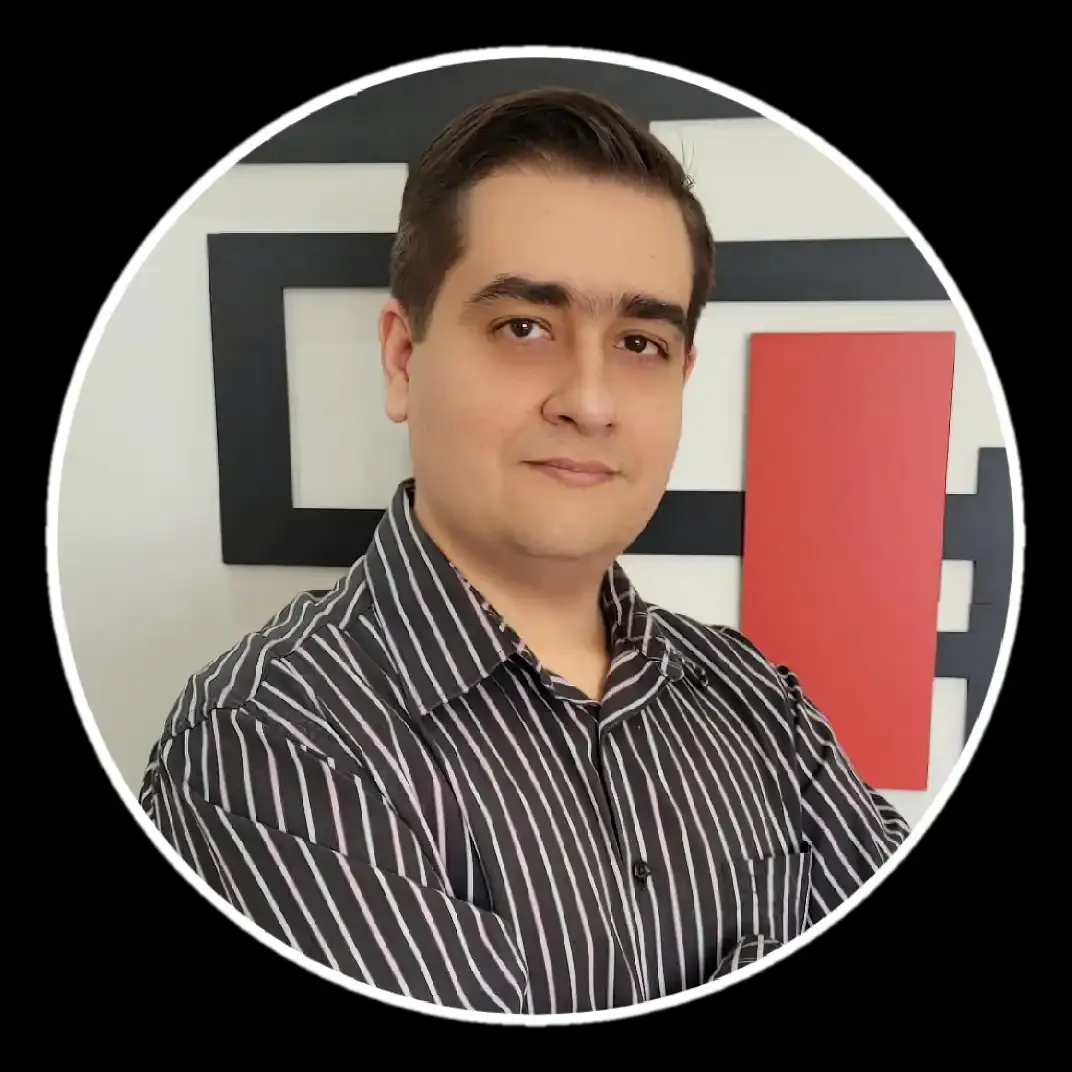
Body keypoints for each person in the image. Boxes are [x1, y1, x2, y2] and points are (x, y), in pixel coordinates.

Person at [140, 86, 909, 1015]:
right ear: (403, 358)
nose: (590, 400)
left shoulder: (757, 701)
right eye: (524, 328)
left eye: (640, 342)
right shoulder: (268, 744)